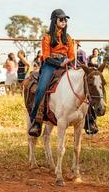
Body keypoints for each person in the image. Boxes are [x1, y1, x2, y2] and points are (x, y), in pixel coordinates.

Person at [29, 8, 75, 137]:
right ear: (55, 21)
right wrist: (59, 63)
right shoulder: (47, 37)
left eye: (65, 19)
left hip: (65, 62)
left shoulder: (68, 37)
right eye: (61, 19)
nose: (64, 21)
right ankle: (36, 121)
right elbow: (46, 56)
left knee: (82, 81)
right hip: (50, 64)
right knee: (41, 88)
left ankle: (89, 119)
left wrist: (67, 61)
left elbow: (72, 55)